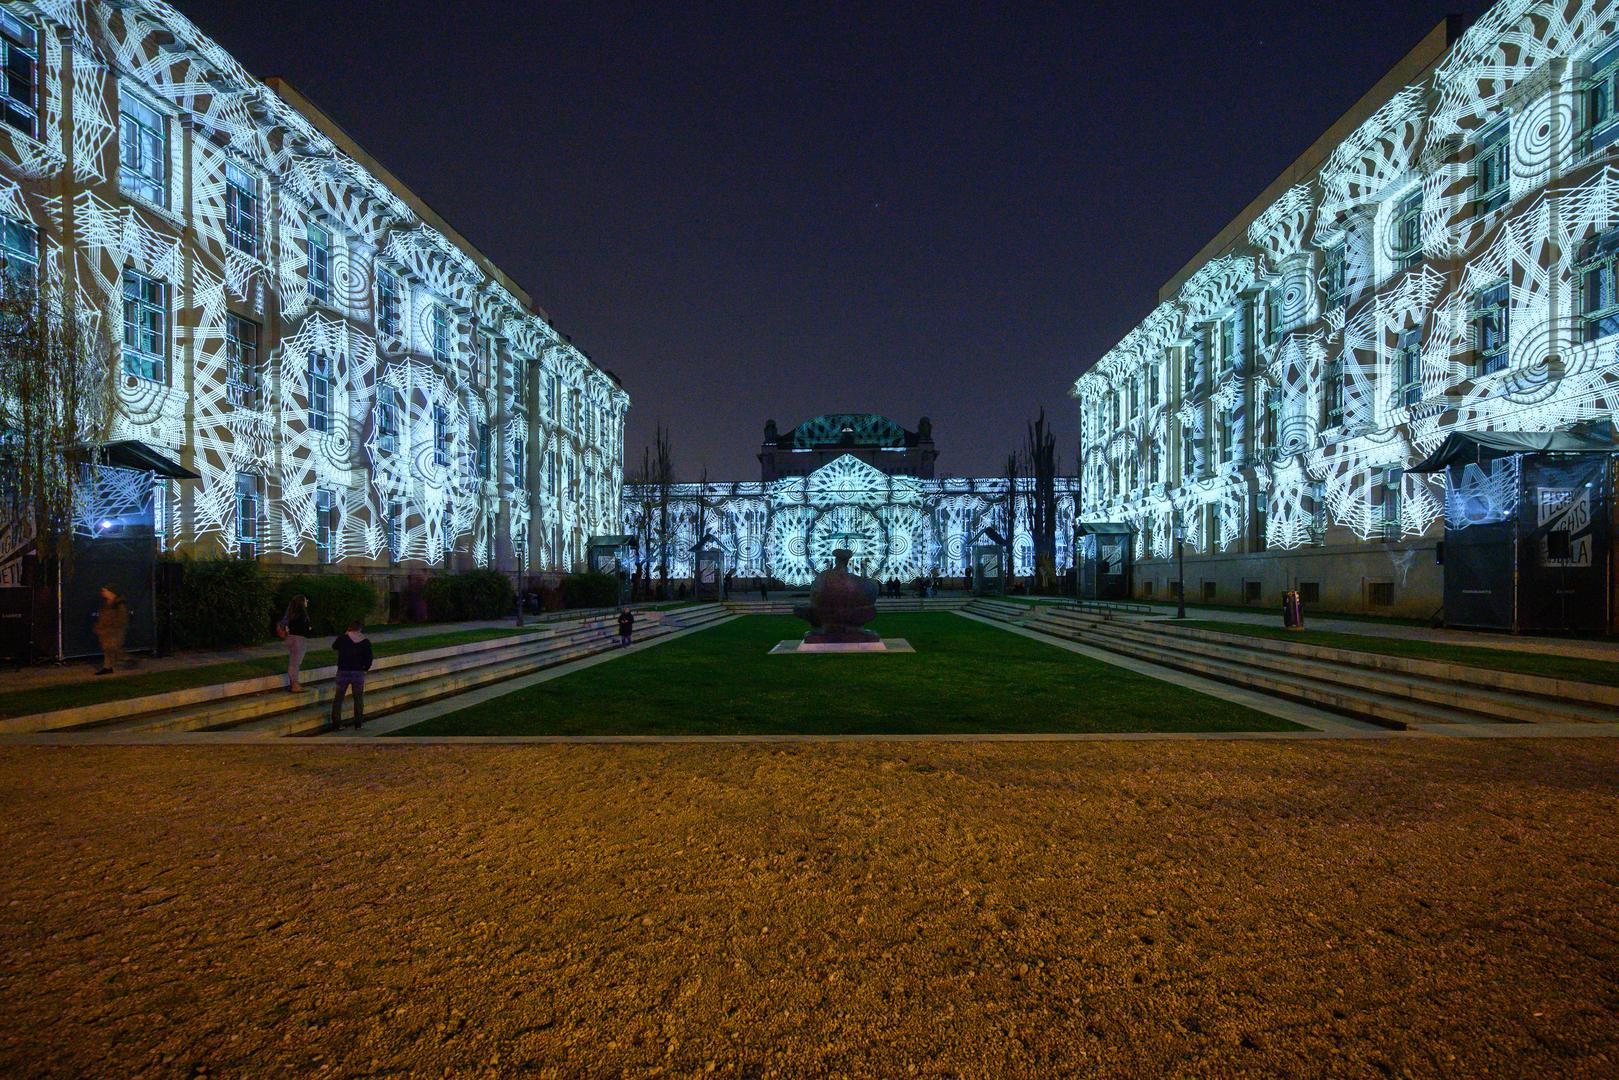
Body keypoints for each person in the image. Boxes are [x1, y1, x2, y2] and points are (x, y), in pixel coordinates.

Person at [330, 620, 373, 730]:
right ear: (360, 629)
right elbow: (369, 658)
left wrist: (345, 634)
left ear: (349, 628)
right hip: (358, 672)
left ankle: (336, 723)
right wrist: (365, 669)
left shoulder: (343, 638)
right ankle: (358, 724)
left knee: (338, 699)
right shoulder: (365, 641)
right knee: (358, 698)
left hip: (343, 671)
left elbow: (334, 646)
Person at [92, 585, 130, 676]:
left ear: (112, 592)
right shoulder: (108, 604)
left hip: (114, 632)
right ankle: (108, 667)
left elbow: (122, 618)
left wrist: (112, 627)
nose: (103, 593)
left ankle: (127, 660)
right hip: (107, 631)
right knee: (108, 650)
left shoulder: (118, 604)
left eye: (105, 591)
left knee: (112, 649)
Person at [282, 594, 312, 692]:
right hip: (298, 640)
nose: (307, 601)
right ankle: (295, 685)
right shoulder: (302, 615)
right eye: (305, 600)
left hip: (291, 638)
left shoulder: (291, 613)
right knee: (295, 663)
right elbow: (306, 629)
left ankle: (294, 684)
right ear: (302, 602)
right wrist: (310, 628)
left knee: (293, 662)